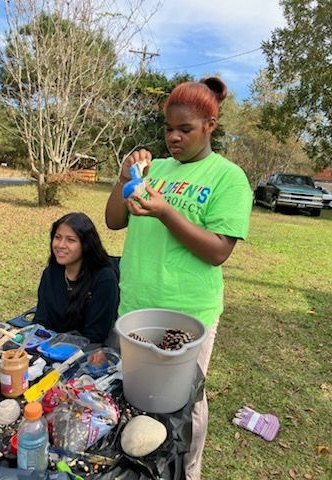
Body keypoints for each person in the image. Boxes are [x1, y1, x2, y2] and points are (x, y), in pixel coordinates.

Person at [105, 76, 252, 479]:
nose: (173, 137)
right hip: (136, 304)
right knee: (135, 394)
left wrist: (166, 211)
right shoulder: (156, 169)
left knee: (184, 403)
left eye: (185, 129)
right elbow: (113, 221)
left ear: (210, 125)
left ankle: (187, 470)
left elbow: (218, 250)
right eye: (169, 128)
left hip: (188, 315)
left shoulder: (228, 177)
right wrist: (123, 180)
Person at [34, 212, 119, 344]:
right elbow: (40, 321)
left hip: (86, 353)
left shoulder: (104, 279)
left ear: (86, 245)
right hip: (47, 348)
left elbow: (96, 335)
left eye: (71, 240)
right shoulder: (51, 273)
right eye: (57, 237)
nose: (61, 245)